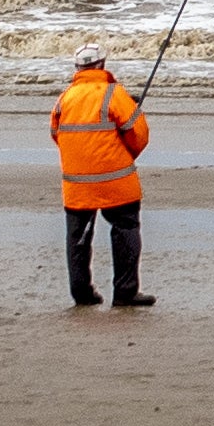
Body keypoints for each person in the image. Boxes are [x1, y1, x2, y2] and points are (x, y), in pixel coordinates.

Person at [53, 51, 153, 309]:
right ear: (102, 65)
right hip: (116, 181)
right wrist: (124, 155)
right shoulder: (114, 93)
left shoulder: (65, 99)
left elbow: (57, 134)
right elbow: (138, 133)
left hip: (77, 183)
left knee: (78, 238)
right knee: (126, 229)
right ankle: (125, 292)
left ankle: (82, 293)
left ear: (77, 67)